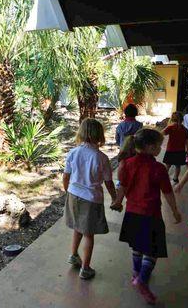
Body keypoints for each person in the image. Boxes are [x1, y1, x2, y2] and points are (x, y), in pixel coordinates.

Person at [111, 128, 182, 305]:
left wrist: (118, 202)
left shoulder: (126, 164)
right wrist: (175, 211)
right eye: (159, 145)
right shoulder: (158, 168)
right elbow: (168, 192)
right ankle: (142, 280)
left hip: (132, 214)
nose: (160, 148)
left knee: (137, 245)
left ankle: (136, 273)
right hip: (151, 215)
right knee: (152, 251)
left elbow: (123, 187)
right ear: (150, 147)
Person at [63, 118, 117, 280]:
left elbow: (66, 176)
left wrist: (68, 191)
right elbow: (108, 181)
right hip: (91, 199)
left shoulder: (73, 152)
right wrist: (115, 198)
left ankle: (73, 254)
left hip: (74, 194)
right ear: (99, 135)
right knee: (88, 234)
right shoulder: (101, 157)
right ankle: (85, 268)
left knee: (77, 228)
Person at [163, 112, 188, 184]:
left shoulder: (170, 127)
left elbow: (162, 133)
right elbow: (187, 142)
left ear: (172, 119)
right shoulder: (185, 129)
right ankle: (175, 179)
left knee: (167, 165)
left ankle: (163, 178)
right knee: (178, 166)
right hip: (181, 151)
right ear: (182, 120)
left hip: (170, 150)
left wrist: (168, 125)